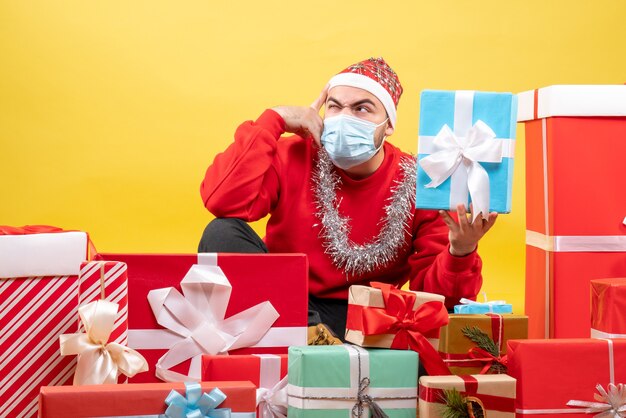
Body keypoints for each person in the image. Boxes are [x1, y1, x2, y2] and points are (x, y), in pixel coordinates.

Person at [198, 57, 497, 340]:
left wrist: (461, 250)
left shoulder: (420, 180)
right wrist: (274, 120)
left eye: (362, 109)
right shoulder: (294, 154)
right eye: (335, 107)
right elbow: (222, 200)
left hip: (366, 319)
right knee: (222, 232)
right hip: (282, 301)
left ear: (388, 125)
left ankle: (319, 349)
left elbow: (438, 299)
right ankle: (309, 337)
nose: (343, 119)